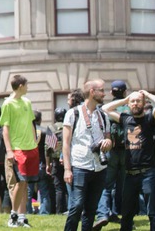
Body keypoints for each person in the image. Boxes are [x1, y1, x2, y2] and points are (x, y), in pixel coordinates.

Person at [104, 89, 155, 231]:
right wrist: (125, 100)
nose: (135, 103)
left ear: (144, 103)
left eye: (138, 101)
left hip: (148, 173)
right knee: (126, 213)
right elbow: (105, 108)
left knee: (153, 212)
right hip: (130, 174)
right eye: (133, 101)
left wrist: (147, 94)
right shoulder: (125, 119)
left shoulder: (150, 119)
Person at [62, 79, 112, 231]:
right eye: (102, 90)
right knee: (76, 206)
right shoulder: (73, 113)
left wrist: (108, 143)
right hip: (79, 166)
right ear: (92, 92)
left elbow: (109, 138)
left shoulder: (103, 115)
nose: (104, 94)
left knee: (91, 208)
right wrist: (67, 169)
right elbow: (65, 143)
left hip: (99, 167)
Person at [0, 74, 38, 228]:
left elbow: (31, 124)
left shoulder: (27, 102)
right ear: (21, 86)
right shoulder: (8, 104)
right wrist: (9, 150)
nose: (28, 88)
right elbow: (5, 129)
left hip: (31, 148)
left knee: (25, 184)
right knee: (19, 182)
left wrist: (35, 142)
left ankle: (22, 218)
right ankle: (13, 216)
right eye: (27, 85)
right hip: (17, 149)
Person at [94, 80, 129, 229]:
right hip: (127, 152)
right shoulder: (129, 107)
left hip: (110, 150)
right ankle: (115, 212)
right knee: (121, 186)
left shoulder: (105, 109)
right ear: (125, 93)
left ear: (111, 93)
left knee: (106, 185)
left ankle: (103, 214)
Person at [47, 107, 68, 215]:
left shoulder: (51, 128)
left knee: (59, 188)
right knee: (69, 186)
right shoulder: (68, 127)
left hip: (55, 161)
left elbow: (48, 148)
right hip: (68, 160)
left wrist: (48, 164)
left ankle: (60, 211)